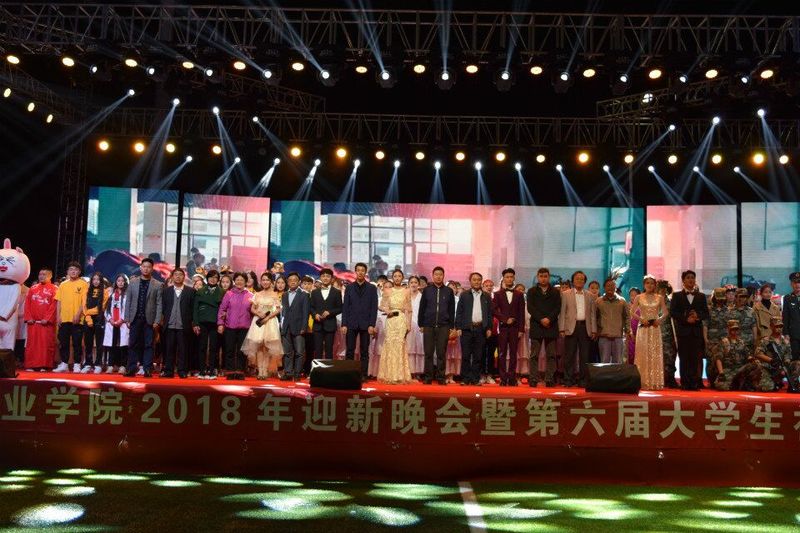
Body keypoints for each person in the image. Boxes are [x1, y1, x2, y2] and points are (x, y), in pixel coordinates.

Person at [669, 270, 710, 391]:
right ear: (683, 280)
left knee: (695, 358)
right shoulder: (677, 296)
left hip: (696, 332)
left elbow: (706, 313)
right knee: (684, 358)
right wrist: (686, 319)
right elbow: (673, 312)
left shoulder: (701, 296)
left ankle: (695, 383)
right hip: (683, 331)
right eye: (688, 277)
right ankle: (685, 383)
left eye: (692, 277)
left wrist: (697, 317)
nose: (691, 280)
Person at [123, 258, 163, 378]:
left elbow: (159, 304)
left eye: (148, 267)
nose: (146, 269)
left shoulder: (158, 284)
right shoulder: (133, 282)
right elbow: (128, 301)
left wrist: (157, 320)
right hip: (135, 318)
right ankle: (131, 369)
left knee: (149, 345)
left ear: (152, 269)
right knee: (133, 344)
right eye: (144, 266)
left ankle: (147, 369)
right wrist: (127, 318)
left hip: (149, 320)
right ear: (140, 268)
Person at [630, 275, 669, 390]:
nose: (650, 285)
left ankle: (655, 381)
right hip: (643, 328)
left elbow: (666, 313)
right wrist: (641, 319)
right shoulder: (639, 297)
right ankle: (642, 381)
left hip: (655, 329)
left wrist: (659, 320)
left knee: (654, 354)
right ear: (644, 285)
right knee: (642, 353)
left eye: (652, 283)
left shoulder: (659, 297)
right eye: (647, 283)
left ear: (655, 285)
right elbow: (631, 312)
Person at [417, 267, 456, 385]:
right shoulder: (427, 290)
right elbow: (422, 308)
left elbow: (451, 309)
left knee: (441, 353)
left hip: (444, 326)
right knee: (428, 353)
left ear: (443, 276)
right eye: (436, 274)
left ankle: (440, 377)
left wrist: (451, 326)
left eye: (440, 274)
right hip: (428, 325)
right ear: (432, 275)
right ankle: (428, 377)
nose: (438, 276)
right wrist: (421, 324)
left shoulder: (448, 291)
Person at [242, 273, 283, 379]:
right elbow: (252, 308)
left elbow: (278, 309)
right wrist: (258, 314)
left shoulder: (275, 294)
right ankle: (260, 371)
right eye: (263, 280)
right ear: (260, 281)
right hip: (258, 321)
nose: (265, 282)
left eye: (267, 280)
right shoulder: (257, 294)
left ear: (271, 282)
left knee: (267, 347)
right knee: (259, 346)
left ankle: (265, 370)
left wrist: (268, 317)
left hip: (270, 322)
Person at [341, 263, 379, 379]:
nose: (360, 272)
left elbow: (373, 308)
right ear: (355, 272)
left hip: (366, 323)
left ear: (365, 272)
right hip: (351, 323)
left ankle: (363, 375)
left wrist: (372, 324)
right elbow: (345, 307)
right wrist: (344, 324)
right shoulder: (349, 287)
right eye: (358, 270)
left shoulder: (372, 288)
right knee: (350, 350)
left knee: (364, 351)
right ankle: (348, 374)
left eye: (363, 270)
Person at [559, 271, 595, 387]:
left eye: (582, 279)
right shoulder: (565, 294)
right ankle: (568, 379)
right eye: (577, 279)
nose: (579, 281)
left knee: (585, 356)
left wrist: (594, 330)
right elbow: (562, 312)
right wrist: (561, 328)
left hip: (585, 327)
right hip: (570, 327)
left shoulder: (590, 295)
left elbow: (592, 314)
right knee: (569, 355)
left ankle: (583, 380)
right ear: (573, 281)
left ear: (585, 281)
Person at [455, 272, 492, 386]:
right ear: (470, 281)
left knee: (478, 356)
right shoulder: (464, 295)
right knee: (466, 355)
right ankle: (465, 378)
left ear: (481, 281)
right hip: (466, 329)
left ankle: (475, 379)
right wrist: (458, 327)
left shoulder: (486, 296)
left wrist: (489, 328)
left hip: (481, 329)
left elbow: (489, 314)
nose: (476, 282)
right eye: (474, 280)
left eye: (478, 280)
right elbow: (459, 312)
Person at [526, 268, 561, 387]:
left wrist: (549, 319)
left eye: (545, 276)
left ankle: (549, 379)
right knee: (534, 355)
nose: (543, 278)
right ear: (537, 277)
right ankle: (533, 379)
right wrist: (541, 319)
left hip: (551, 325)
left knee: (551, 355)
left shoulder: (555, 292)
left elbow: (557, 308)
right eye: (541, 276)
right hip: (537, 325)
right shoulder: (531, 291)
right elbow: (530, 308)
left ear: (549, 277)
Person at [378, 268, 412, 384]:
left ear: (402, 278)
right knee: (390, 344)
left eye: (399, 276)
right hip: (391, 320)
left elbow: (409, 310)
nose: (397, 278)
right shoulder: (387, 290)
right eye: (395, 276)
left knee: (400, 345)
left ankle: (400, 375)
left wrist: (409, 325)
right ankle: (389, 375)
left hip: (401, 320)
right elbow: (381, 306)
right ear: (392, 278)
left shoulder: (407, 291)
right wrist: (387, 311)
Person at [54, 261, 89, 373]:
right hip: (64, 318)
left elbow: (84, 302)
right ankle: (64, 363)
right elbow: (59, 301)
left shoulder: (83, 284)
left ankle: (77, 364)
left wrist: (78, 314)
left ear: (79, 272)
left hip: (77, 319)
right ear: (68, 271)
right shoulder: (63, 285)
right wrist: (58, 316)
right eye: (71, 269)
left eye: (76, 270)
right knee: (63, 342)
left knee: (77, 343)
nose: (73, 271)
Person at [160, 268, 195, 378]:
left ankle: (182, 371)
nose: (178, 276)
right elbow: (163, 308)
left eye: (180, 274)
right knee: (169, 349)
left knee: (183, 350)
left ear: (184, 277)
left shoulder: (190, 291)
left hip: (184, 325)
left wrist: (193, 323)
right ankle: (168, 371)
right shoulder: (166, 291)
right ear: (172, 277)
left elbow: (193, 309)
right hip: (169, 325)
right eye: (176, 274)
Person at [217, 272, 254, 378]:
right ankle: (230, 372)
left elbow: (253, 311)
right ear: (234, 281)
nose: (239, 282)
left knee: (242, 351)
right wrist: (220, 324)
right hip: (230, 327)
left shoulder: (251, 296)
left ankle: (240, 372)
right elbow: (222, 309)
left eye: (242, 280)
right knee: (229, 350)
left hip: (245, 327)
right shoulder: (229, 294)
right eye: (237, 279)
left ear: (245, 282)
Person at [494, 268, 525, 386]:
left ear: (514, 278)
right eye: (507, 277)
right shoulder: (498, 294)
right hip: (502, 327)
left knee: (513, 354)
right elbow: (493, 310)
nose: (509, 279)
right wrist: (504, 319)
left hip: (515, 328)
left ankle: (512, 377)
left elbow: (521, 313)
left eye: (511, 277)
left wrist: (521, 329)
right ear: (503, 278)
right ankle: (503, 378)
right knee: (502, 353)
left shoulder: (519, 294)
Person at [23, 268, 58, 371]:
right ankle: (31, 365)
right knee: (32, 345)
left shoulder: (54, 289)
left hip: (47, 324)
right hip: (33, 323)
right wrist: (28, 317)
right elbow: (27, 304)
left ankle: (45, 365)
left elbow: (54, 306)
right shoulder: (33, 288)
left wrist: (47, 318)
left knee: (46, 344)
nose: (41, 276)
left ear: (50, 276)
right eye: (40, 274)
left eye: (44, 274)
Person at [753, 316, 800, 392]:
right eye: (777, 326)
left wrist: (785, 364)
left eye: (781, 326)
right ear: (771, 327)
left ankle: (794, 384)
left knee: (797, 364)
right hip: (768, 368)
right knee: (768, 388)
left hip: (781, 368)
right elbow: (757, 354)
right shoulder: (765, 340)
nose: (779, 328)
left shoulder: (786, 342)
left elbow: (788, 355)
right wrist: (771, 360)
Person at [193, 269, 223, 379]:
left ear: (218, 279)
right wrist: (195, 323)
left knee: (213, 348)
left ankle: (211, 371)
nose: (213, 279)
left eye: (215, 277)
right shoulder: (201, 290)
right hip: (202, 321)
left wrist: (221, 323)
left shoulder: (222, 292)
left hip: (215, 322)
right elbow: (195, 308)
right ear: (207, 278)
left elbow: (223, 309)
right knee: (202, 346)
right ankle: (202, 371)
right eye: (211, 277)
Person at [280, 272, 310, 381]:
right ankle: (288, 373)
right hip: (286, 327)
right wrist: (282, 326)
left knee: (299, 352)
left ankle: (297, 373)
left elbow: (306, 312)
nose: (292, 282)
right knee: (287, 352)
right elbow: (283, 312)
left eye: (295, 280)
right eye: (290, 280)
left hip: (299, 327)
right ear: (287, 282)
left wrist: (304, 327)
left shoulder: (304, 294)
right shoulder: (284, 295)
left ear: (299, 282)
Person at [310, 268, 343, 360]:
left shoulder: (336, 292)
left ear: (331, 278)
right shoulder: (314, 292)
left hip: (330, 324)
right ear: (320, 277)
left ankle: (329, 369)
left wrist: (330, 312)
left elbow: (340, 308)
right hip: (317, 325)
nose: (325, 278)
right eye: (323, 276)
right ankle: (318, 369)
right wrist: (315, 314)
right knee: (318, 350)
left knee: (329, 350)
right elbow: (311, 307)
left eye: (328, 276)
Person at [713, 320, 754, 391]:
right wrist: (721, 373)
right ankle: (736, 384)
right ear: (728, 329)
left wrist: (752, 359)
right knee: (721, 386)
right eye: (733, 329)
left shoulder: (741, 342)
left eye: (736, 329)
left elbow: (748, 355)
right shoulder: (724, 342)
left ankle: (745, 383)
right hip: (728, 369)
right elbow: (718, 359)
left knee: (755, 365)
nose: (735, 331)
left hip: (740, 369)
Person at [81, 272, 108, 374]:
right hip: (88, 319)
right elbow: (84, 306)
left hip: (99, 319)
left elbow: (101, 308)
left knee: (99, 343)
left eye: (98, 279)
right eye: (94, 279)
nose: (96, 281)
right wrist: (88, 317)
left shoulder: (105, 292)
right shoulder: (86, 291)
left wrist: (88, 312)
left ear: (101, 281)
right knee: (88, 342)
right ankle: (88, 363)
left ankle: (98, 364)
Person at [704, 287, 732, 385]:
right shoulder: (709, 310)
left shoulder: (728, 310)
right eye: (718, 298)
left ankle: (720, 380)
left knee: (722, 360)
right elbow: (705, 325)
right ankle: (711, 381)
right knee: (710, 360)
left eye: (722, 298)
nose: (720, 300)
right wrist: (705, 338)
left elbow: (730, 326)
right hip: (712, 339)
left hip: (724, 339)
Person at [103, 274, 129, 374]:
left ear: (125, 282)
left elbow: (128, 309)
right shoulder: (111, 294)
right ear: (116, 282)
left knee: (123, 346)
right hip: (112, 323)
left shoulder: (127, 294)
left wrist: (122, 320)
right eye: (119, 281)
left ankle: (123, 365)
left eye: (122, 281)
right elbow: (106, 309)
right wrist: (110, 319)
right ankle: (111, 365)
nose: (120, 283)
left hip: (123, 323)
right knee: (112, 345)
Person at [657, 279, 679, 388]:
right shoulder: (654, 302)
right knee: (656, 358)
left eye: (664, 288)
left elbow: (675, 319)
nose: (662, 290)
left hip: (669, 334)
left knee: (670, 358)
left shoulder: (671, 302)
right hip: (656, 333)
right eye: (660, 288)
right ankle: (658, 379)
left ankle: (670, 378)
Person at [407, 275, 425, 377]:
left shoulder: (422, 297)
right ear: (408, 284)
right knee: (409, 349)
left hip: (420, 326)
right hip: (408, 325)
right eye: (411, 282)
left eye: (415, 282)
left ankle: (419, 372)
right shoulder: (406, 296)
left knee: (420, 349)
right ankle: (410, 371)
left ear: (419, 284)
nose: (413, 284)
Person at [481, 278, 498, 384]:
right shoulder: (480, 298)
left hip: (494, 330)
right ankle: (482, 374)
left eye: (491, 285)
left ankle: (490, 375)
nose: (489, 287)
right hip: (481, 330)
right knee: (481, 353)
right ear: (483, 287)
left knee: (491, 353)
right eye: (486, 286)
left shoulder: (496, 298)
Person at [733, 288, 758, 354]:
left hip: (749, 343)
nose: (743, 299)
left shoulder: (751, 311)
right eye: (741, 296)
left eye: (745, 297)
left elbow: (754, 326)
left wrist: (755, 339)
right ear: (736, 297)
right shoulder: (730, 311)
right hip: (735, 344)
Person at [782, 272, 800, 360]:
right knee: (794, 358)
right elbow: (785, 317)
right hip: (794, 335)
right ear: (791, 284)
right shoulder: (787, 298)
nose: (797, 284)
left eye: (799, 282)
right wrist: (786, 333)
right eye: (795, 282)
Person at [514, 283, 530, 381]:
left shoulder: (527, 303)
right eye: (519, 289)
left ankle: (524, 372)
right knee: (515, 352)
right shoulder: (513, 302)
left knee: (525, 351)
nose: (521, 291)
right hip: (515, 330)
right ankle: (515, 373)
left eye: (522, 289)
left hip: (526, 330)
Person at [627, 287, 641, 365]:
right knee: (630, 354)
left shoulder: (642, 307)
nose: (633, 297)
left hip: (640, 333)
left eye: (635, 295)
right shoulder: (627, 306)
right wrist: (631, 333)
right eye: (631, 295)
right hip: (630, 334)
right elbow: (626, 320)